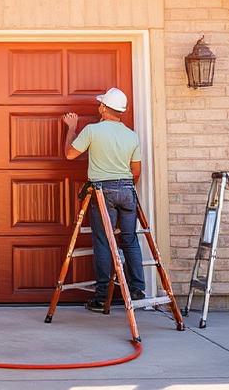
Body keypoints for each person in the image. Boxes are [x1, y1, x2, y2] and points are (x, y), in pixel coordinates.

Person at [63, 87, 145, 312]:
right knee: (129, 240)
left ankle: (100, 297)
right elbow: (136, 171)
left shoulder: (92, 130)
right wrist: (123, 188)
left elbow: (69, 154)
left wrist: (71, 129)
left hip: (103, 191)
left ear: (103, 108)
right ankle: (137, 289)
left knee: (103, 242)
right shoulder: (131, 135)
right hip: (127, 190)